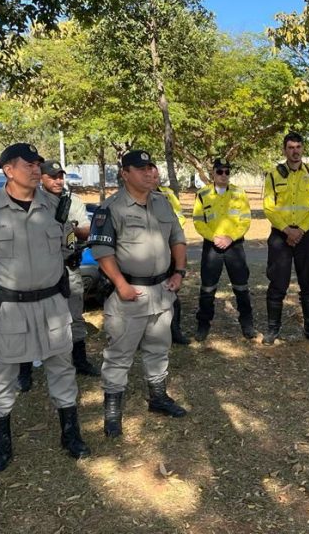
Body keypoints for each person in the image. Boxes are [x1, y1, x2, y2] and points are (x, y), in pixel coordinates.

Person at [0, 143, 90, 474]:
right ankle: (1, 443)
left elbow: (63, 246)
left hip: (51, 303)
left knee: (62, 367)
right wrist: (3, 276)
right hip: (7, 307)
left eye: (38, 164)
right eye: (28, 164)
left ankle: (70, 434)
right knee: (2, 374)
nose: (36, 169)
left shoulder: (55, 206)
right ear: (8, 170)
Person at [89, 150, 188, 438]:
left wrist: (179, 272)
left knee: (158, 348)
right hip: (129, 293)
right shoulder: (112, 208)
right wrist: (120, 284)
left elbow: (177, 238)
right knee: (120, 354)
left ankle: (158, 397)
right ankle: (112, 410)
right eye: (142, 169)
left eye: (151, 168)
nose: (149, 173)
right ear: (125, 173)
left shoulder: (162, 202)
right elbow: (102, 251)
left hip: (161, 291)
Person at [262, 131, 309, 345]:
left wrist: (301, 230)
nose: (295, 151)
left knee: (308, 282)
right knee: (278, 283)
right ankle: (272, 330)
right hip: (281, 236)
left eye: (298, 147)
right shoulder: (273, 175)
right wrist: (288, 231)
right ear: (284, 150)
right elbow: (269, 208)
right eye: (290, 147)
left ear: (302, 149)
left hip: (305, 236)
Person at [41, 160, 99, 375]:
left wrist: (70, 227)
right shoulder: (35, 202)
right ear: (41, 178)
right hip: (44, 270)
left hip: (69, 266)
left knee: (75, 314)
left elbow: (86, 230)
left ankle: (80, 360)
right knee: (43, 316)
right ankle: (35, 364)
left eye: (60, 176)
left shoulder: (72, 201)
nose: (58, 181)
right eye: (52, 176)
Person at [192, 157, 255, 341]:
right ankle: (203, 325)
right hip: (212, 247)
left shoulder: (239, 193)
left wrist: (230, 238)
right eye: (220, 171)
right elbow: (198, 221)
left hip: (234, 247)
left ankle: (247, 324)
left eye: (227, 171)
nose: (224, 175)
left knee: (241, 287)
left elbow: (245, 220)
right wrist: (214, 238)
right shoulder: (203, 194)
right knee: (207, 288)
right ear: (213, 173)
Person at [151, 163, 190, 345]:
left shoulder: (166, 194)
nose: (153, 179)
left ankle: (175, 331)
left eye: (155, 176)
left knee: (172, 291)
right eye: (148, 175)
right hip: (146, 254)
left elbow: (179, 216)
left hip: (169, 248)